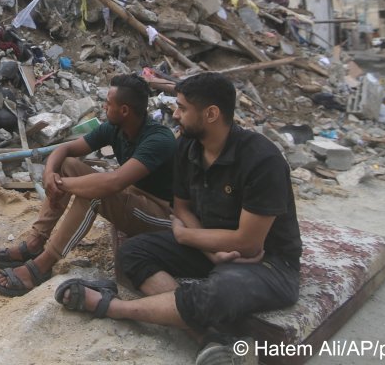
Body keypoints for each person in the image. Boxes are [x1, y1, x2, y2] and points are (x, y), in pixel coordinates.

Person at [52, 72, 302, 365]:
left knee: (219, 290)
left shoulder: (262, 160)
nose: (175, 113)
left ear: (211, 114)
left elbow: (248, 242)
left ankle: (110, 306)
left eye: (182, 108)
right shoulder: (187, 146)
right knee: (133, 253)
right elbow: (181, 208)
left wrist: (186, 236)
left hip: (268, 262)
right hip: (210, 243)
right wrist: (208, 249)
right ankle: (208, 335)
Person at [0, 74, 176, 297]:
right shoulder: (115, 128)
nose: (104, 107)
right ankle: (35, 242)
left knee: (96, 193)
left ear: (124, 110)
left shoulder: (158, 139)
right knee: (67, 165)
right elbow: (65, 151)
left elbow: (114, 182)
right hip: (132, 197)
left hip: (161, 214)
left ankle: (40, 267)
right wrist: (50, 174)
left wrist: (63, 184)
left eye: (108, 103)